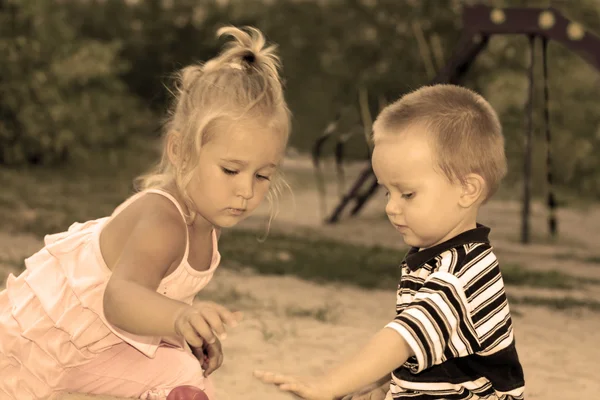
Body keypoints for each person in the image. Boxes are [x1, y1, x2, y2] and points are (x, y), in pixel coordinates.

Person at [0, 25, 292, 400]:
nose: (246, 190)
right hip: (36, 346)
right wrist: (178, 317)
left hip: (98, 351)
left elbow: (152, 302)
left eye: (263, 175)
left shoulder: (204, 222)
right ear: (180, 151)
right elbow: (120, 299)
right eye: (231, 170)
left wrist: (185, 333)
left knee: (184, 375)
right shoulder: (162, 218)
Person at [255, 84, 526, 400]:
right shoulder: (439, 256)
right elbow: (429, 346)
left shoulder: (461, 275)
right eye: (387, 192)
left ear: (467, 190)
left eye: (407, 194)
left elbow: (402, 339)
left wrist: (327, 386)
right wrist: (384, 383)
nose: (390, 207)